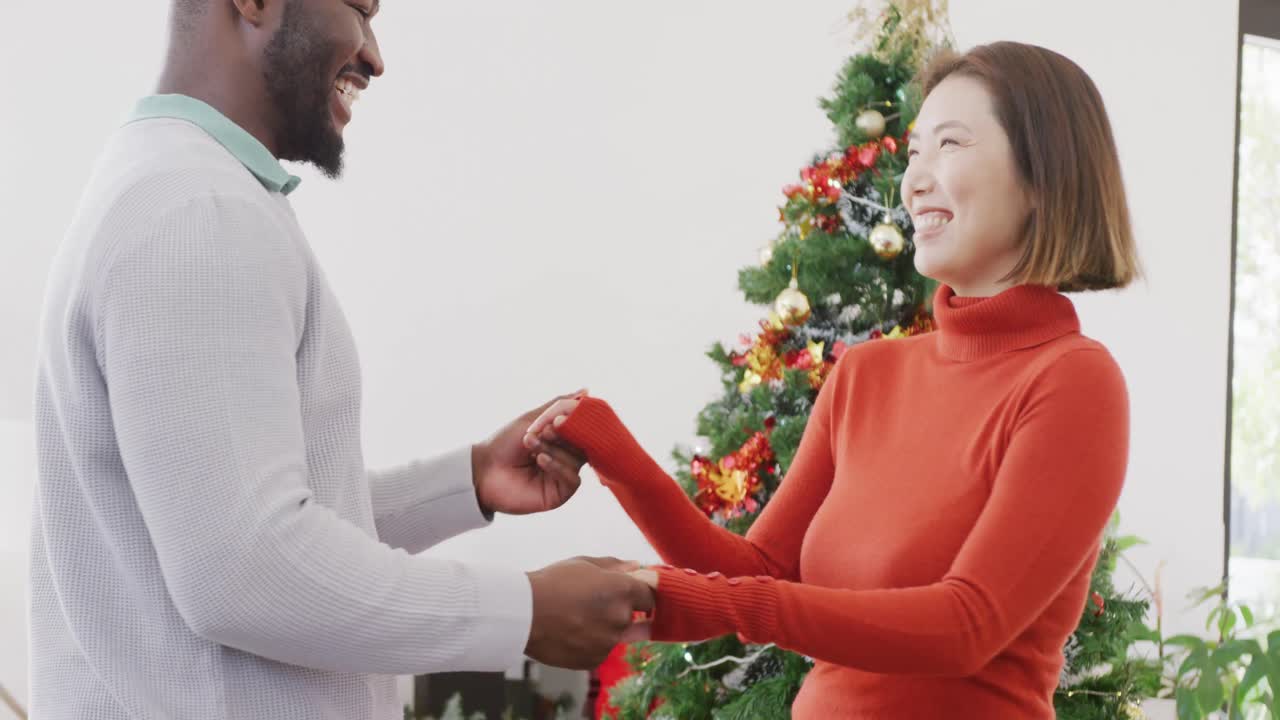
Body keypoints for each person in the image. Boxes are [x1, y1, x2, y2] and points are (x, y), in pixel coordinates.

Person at [30, 1, 652, 718]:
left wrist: (470, 479)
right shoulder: (198, 212)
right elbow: (248, 569)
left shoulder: (169, 186)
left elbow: (235, 521)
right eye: (360, 8)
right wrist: (527, 611)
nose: (375, 56)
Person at [525, 41, 1141, 719]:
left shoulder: (1073, 381)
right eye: (914, 153)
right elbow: (757, 570)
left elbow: (966, 627)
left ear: (1043, 178)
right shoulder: (868, 374)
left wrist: (716, 601)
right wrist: (614, 455)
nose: (914, 181)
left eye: (950, 144)